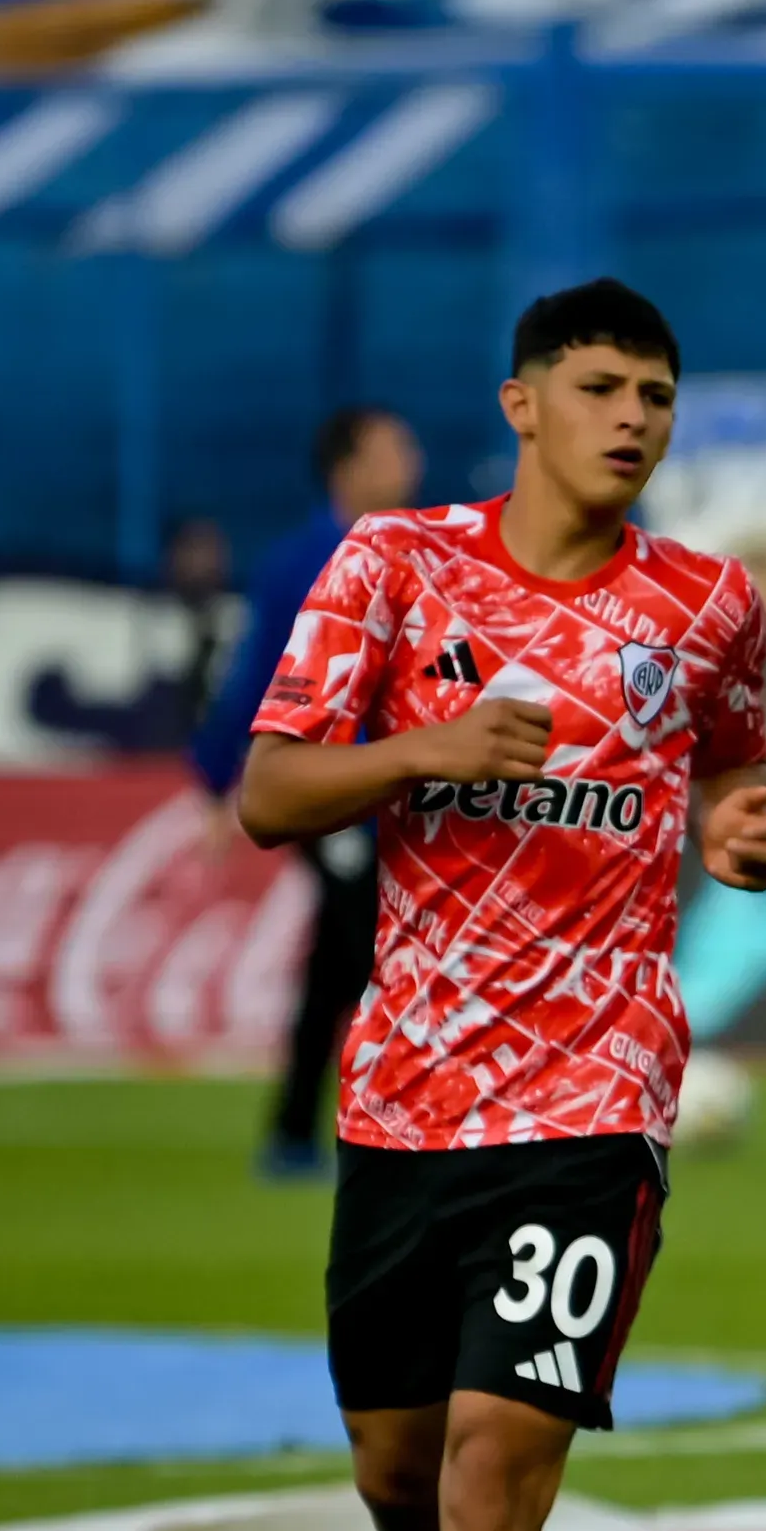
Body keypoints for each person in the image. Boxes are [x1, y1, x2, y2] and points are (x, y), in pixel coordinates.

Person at [237, 279, 766, 1531]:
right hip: (407, 1093)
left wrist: (743, 832)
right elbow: (269, 793)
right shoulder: (394, 567)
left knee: (496, 1469)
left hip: (597, 1093)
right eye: (605, 386)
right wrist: (428, 746)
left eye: (661, 396)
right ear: (522, 402)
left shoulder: (708, 605)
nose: (636, 418)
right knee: (397, 1463)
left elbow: (733, 768)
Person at [194, 404, 429, 1178]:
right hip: (335, 798)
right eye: (392, 448)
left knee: (365, 960)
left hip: (410, 795)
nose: (410, 460)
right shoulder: (301, 562)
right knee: (350, 956)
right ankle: (307, 1131)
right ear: (348, 466)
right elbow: (256, 675)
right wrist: (216, 780)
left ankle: (321, 1129)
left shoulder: (431, 553)